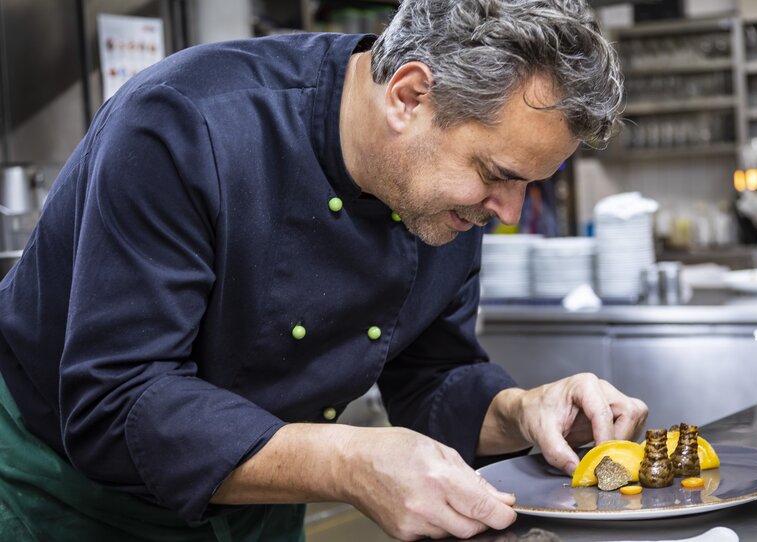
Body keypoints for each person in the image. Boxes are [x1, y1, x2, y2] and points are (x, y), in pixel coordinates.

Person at [0, 0, 647, 540]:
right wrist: (349, 462)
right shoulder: (184, 125)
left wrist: (520, 410)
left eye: (529, 184)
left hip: (263, 499)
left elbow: (430, 376)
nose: (508, 212)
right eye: (497, 174)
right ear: (409, 96)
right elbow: (115, 404)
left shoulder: (442, 192)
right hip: (60, 497)